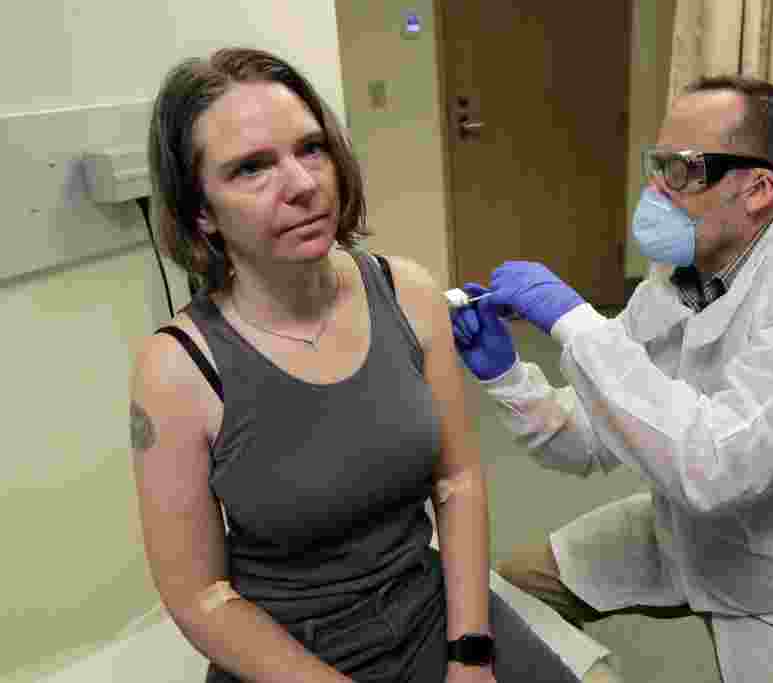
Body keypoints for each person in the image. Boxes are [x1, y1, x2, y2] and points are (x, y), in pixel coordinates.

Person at [130, 47, 593, 683]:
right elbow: (201, 595)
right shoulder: (177, 369)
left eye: (311, 148)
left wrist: (470, 654)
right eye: (251, 168)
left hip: (428, 609)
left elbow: (457, 481)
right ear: (200, 211)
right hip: (289, 653)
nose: (302, 184)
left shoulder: (409, 294)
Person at [450, 76, 773, 682]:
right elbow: (587, 437)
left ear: (759, 188)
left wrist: (579, 325)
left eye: (682, 169)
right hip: (697, 534)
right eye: (657, 166)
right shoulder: (673, 283)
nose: (655, 189)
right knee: (513, 597)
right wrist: (507, 376)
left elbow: (719, 465)